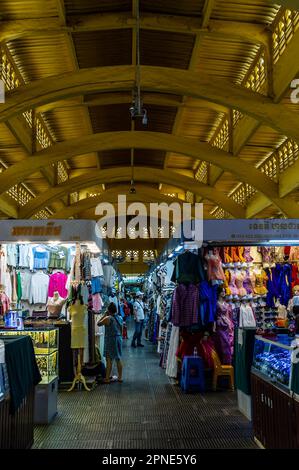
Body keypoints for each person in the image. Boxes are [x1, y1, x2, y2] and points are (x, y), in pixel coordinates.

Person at [97, 302, 123, 383]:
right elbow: (121, 329)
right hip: (118, 338)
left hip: (111, 339)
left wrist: (104, 315)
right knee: (118, 358)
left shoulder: (108, 318)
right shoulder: (119, 317)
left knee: (109, 359)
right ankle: (120, 377)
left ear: (108, 310)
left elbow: (98, 323)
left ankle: (107, 378)